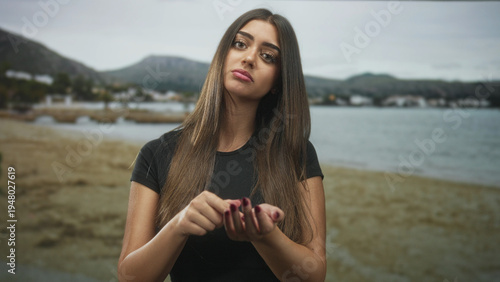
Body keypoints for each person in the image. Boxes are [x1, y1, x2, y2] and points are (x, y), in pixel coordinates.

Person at [118, 8, 326, 282]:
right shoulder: (157, 154)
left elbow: (315, 273)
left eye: (268, 56)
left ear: (278, 81)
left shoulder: (295, 152)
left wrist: (265, 236)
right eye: (240, 43)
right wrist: (178, 226)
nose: (249, 58)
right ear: (222, 55)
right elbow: (129, 277)